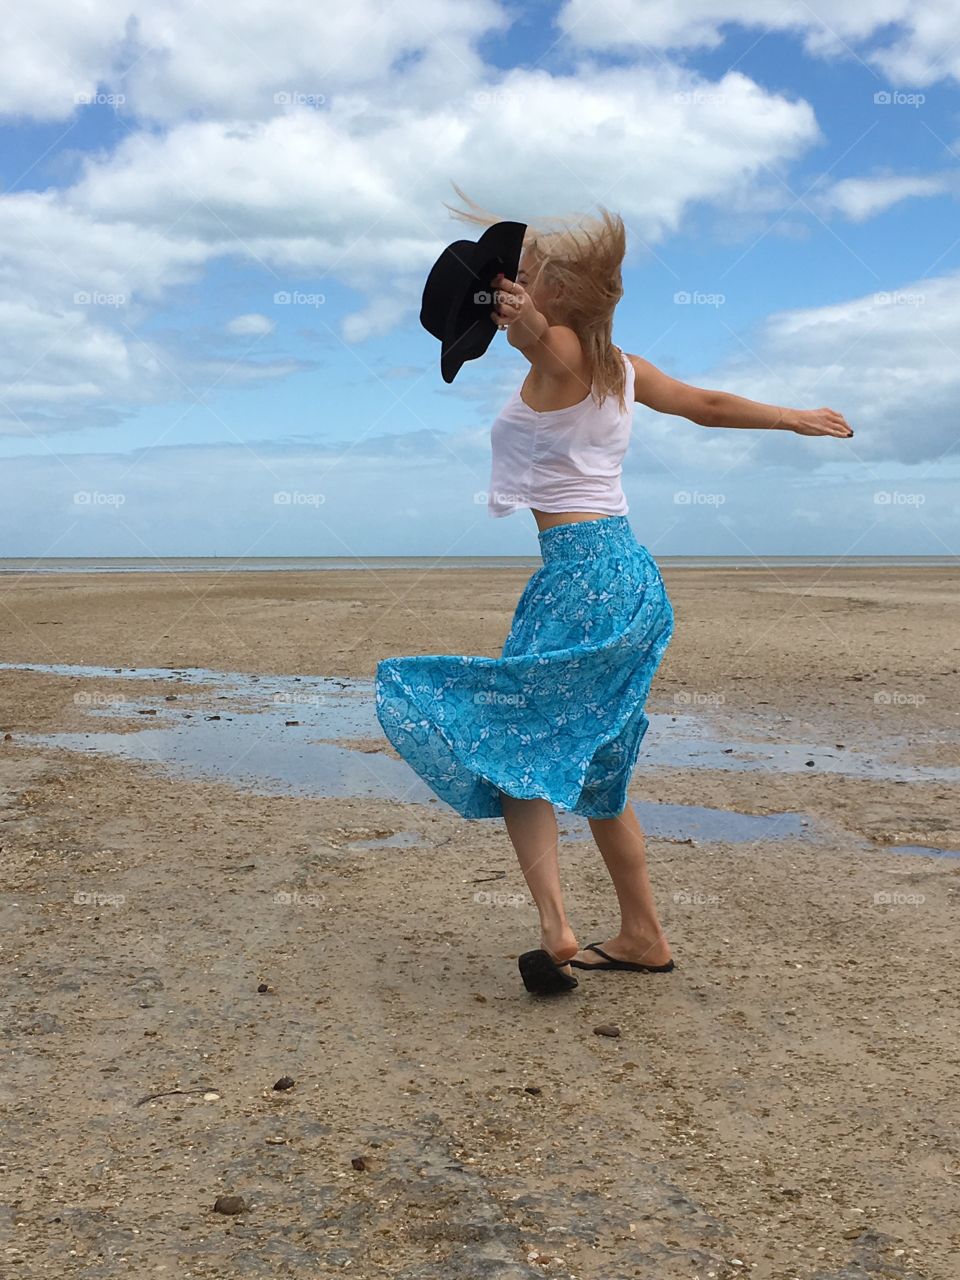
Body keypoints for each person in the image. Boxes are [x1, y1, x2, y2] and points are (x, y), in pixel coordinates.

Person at [375, 188, 853, 996]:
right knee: (600, 768)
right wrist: (791, 416)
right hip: (629, 574)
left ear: (554, 293)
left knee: (516, 746)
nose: (515, 280)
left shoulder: (557, 349)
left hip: (580, 577)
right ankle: (642, 935)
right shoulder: (622, 368)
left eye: (528, 273)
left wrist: (511, 309)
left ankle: (558, 928)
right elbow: (704, 406)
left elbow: (533, 334)